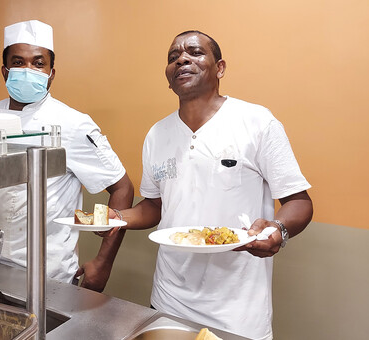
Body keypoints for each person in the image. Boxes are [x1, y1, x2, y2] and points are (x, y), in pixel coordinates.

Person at [115, 30, 313, 339]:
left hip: (237, 312)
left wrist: (278, 229)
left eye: (194, 52)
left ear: (219, 68)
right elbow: (155, 206)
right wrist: (118, 219)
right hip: (168, 300)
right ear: (168, 77)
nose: (182, 59)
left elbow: (299, 201)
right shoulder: (157, 134)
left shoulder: (257, 122)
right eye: (173, 57)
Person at [0, 20, 134, 292]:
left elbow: (122, 187)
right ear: (5, 71)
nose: (28, 70)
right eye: (18, 62)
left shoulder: (73, 123)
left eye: (38, 64)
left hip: (50, 272)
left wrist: (103, 261)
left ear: (51, 74)